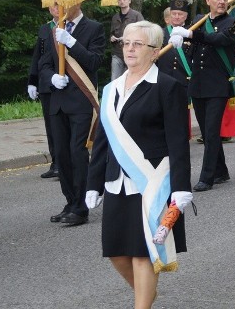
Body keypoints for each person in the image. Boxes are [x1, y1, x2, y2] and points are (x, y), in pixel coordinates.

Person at [86, 21, 192, 309]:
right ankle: (145, 294)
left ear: (155, 52)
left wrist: (181, 188)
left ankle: (141, 305)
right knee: (116, 252)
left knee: (143, 251)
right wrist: (93, 183)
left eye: (137, 44)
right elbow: (103, 140)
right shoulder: (111, 89)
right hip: (116, 182)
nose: (130, 49)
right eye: (126, 43)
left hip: (152, 181)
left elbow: (178, 141)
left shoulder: (168, 87)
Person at [170, 0, 235, 191]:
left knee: (211, 132)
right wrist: (181, 42)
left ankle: (207, 177)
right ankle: (221, 170)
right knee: (206, 129)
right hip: (198, 84)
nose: (222, 2)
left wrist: (192, 35)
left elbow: (220, 40)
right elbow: (193, 50)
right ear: (208, 0)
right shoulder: (199, 21)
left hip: (218, 85)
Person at [39, 2, 105, 226]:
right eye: (57, 3)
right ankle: (70, 201)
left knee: (78, 153)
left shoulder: (94, 28)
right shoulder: (54, 29)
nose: (61, 6)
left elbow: (95, 62)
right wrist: (51, 78)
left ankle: (81, 207)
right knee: (62, 155)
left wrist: (72, 43)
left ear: (78, 2)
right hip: (58, 102)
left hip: (81, 102)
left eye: (66, 2)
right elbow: (44, 64)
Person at [28, 3, 60, 179]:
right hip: (46, 85)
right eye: (53, 6)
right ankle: (55, 162)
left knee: (61, 126)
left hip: (64, 84)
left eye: (59, 5)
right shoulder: (44, 28)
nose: (56, 8)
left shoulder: (68, 26)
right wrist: (32, 81)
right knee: (50, 125)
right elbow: (37, 57)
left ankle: (65, 164)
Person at [157, 0, 193, 138]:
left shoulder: (191, 33)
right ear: (169, 15)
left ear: (185, 16)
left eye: (180, 14)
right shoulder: (160, 33)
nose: (177, 17)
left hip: (183, 80)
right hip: (164, 79)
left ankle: (181, 142)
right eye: (174, 14)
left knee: (182, 115)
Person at [110, 0, 145, 81]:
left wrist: (128, 38)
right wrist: (112, 37)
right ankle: (115, 95)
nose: (122, 1)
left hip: (132, 53)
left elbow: (143, 33)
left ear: (129, 1)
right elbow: (112, 32)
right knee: (114, 79)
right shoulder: (115, 17)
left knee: (130, 79)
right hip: (117, 53)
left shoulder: (137, 15)